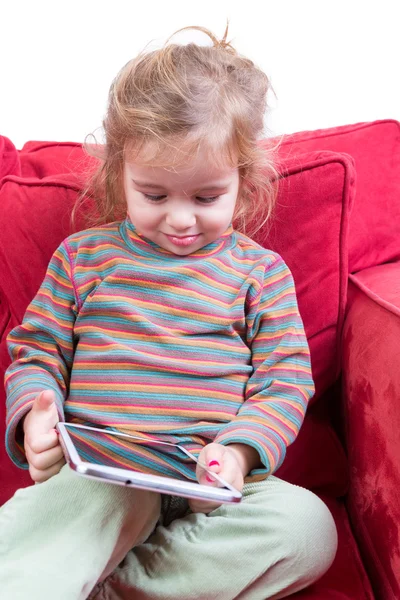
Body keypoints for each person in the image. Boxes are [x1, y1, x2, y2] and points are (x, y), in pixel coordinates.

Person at [0, 25, 337, 600]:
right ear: (119, 175)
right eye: (154, 195)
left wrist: (237, 452)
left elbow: (283, 381)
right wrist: (36, 416)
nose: (181, 219)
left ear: (244, 183)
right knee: (83, 507)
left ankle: (113, 586)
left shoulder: (260, 272)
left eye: (207, 197)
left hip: (211, 482)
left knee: (308, 529)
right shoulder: (85, 259)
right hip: (102, 473)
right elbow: (37, 351)